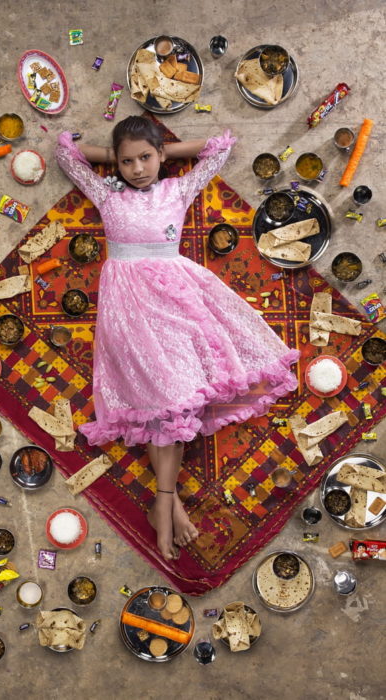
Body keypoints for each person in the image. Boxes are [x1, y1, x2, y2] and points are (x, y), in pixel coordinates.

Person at [56, 116, 300, 562]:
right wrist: (112, 154)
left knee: (179, 401)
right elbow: (67, 156)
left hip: (178, 302)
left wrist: (165, 150)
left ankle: (165, 502)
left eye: (145, 158)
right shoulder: (108, 193)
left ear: (161, 157)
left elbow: (219, 148)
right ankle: (168, 502)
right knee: (162, 398)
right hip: (129, 310)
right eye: (127, 161)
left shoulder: (177, 190)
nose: (137, 168)